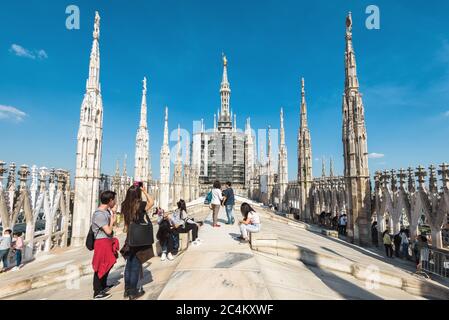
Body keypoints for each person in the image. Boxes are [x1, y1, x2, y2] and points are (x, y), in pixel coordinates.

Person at [121, 184, 155, 300]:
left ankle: (127, 290)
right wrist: (144, 191)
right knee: (135, 264)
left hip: (129, 237)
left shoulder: (124, 205)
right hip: (139, 238)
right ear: (137, 194)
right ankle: (133, 292)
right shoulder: (139, 205)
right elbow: (152, 202)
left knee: (129, 264)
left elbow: (125, 224)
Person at [91, 191, 120, 300]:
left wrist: (114, 214)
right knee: (100, 265)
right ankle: (97, 292)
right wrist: (111, 221)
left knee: (108, 263)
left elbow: (114, 225)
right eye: (114, 200)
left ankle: (103, 285)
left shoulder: (106, 212)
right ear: (110, 200)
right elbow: (108, 230)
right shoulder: (99, 214)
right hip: (101, 242)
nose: (115, 202)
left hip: (107, 241)